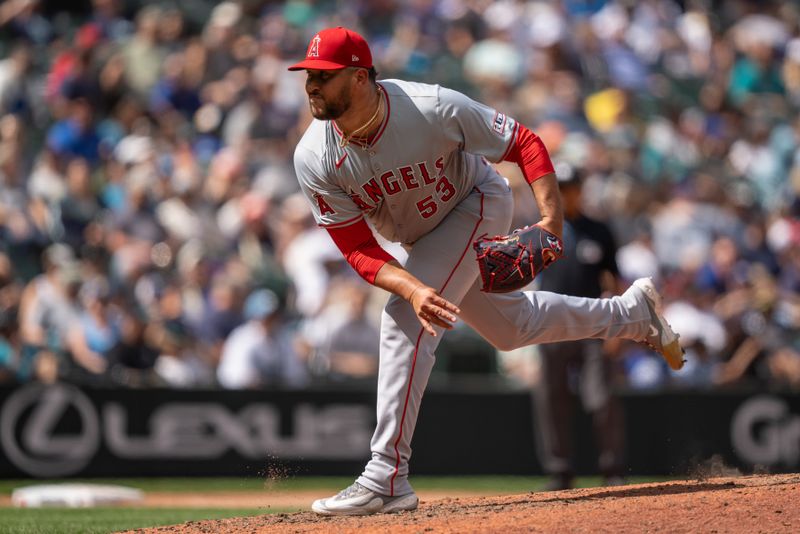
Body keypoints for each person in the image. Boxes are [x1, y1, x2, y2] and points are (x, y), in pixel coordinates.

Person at [289, 27, 683, 516]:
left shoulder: (429, 107)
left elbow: (524, 142)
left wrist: (551, 223)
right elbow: (359, 250)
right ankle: (633, 314)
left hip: (473, 203)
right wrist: (413, 286)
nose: (311, 85)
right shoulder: (314, 156)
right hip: (423, 239)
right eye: (309, 75)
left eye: (324, 76)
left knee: (404, 321)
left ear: (361, 76)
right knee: (510, 329)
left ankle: (386, 475)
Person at [533, 164, 625, 491]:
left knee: (600, 398)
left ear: (580, 190)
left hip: (593, 327)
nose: (566, 192)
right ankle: (560, 471)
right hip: (552, 325)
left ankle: (612, 469)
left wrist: (617, 327)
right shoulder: (543, 231)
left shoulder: (599, 231)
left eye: (571, 186)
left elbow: (613, 280)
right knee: (551, 399)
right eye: (561, 186)